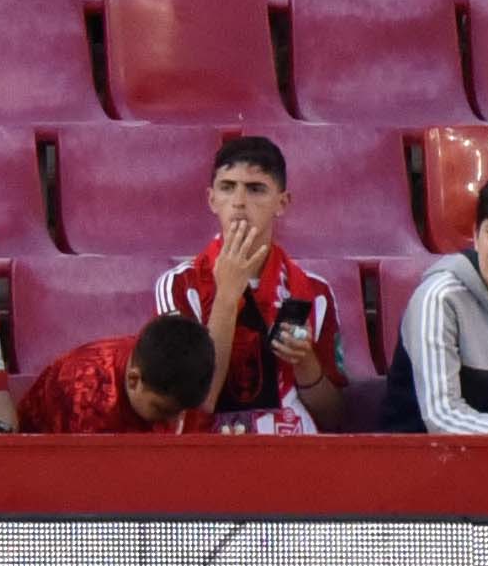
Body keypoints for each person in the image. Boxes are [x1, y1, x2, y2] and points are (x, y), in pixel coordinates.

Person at [149, 131, 349, 432]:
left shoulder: (314, 292)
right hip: (212, 448)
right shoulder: (179, 286)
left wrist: (305, 362)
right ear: (212, 199)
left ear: (282, 202)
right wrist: (226, 299)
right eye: (228, 187)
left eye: (256, 189)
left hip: (296, 445)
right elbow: (191, 406)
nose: (239, 202)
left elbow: (335, 421)